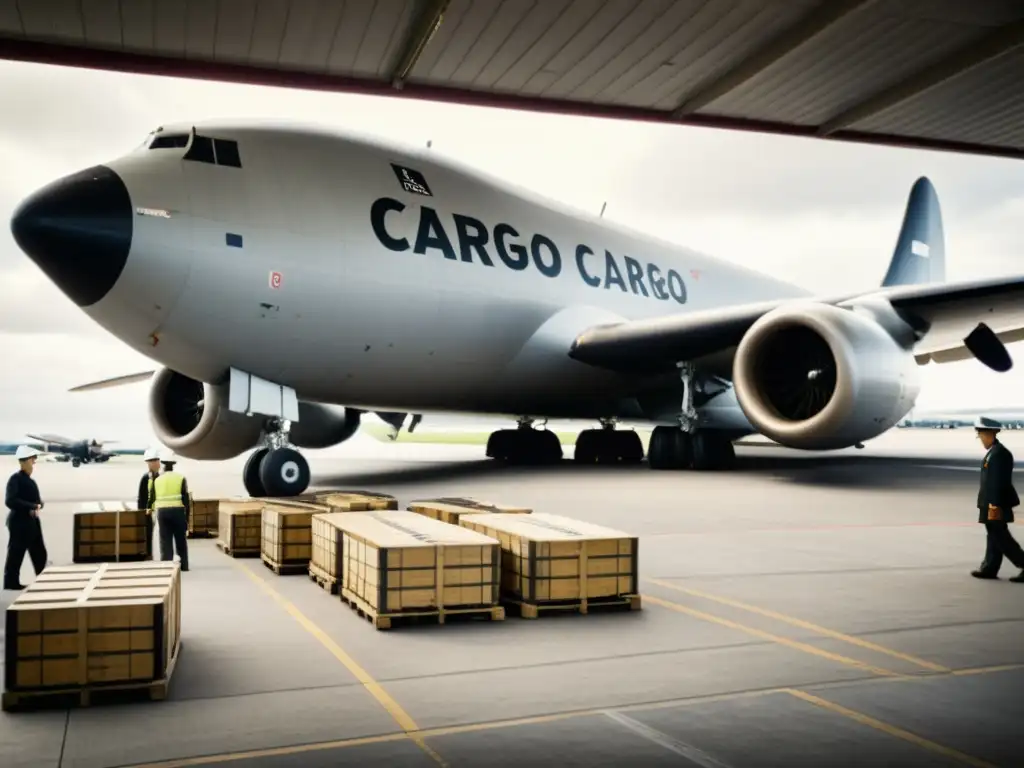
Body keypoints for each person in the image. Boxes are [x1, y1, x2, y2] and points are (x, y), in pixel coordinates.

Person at [971, 416, 1024, 582]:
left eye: (981, 435)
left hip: (996, 504)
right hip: (990, 503)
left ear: (990, 434)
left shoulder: (1000, 454)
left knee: (1001, 537)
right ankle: (990, 567)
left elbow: (998, 483)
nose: (980, 439)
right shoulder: (993, 453)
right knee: (994, 535)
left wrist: (994, 505)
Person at [4, 445, 49, 590]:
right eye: (32, 459)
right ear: (24, 461)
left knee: (40, 553)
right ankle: (11, 582)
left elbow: (34, 500)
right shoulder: (15, 479)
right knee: (16, 553)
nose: (34, 463)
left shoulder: (29, 480)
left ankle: (42, 580)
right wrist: (31, 506)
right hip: (19, 523)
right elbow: (10, 500)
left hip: (32, 523)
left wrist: (39, 504)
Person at [152, 454, 190, 571]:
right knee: (180, 539)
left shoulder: (157, 480)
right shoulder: (180, 478)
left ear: (163, 467)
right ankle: (184, 565)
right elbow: (186, 499)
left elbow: (153, 497)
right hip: (177, 511)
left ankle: (166, 566)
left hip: (162, 512)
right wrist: (187, 517)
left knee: (165, 539)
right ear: (173, 467)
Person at [137, 448, 162, 559]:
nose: (156, 463)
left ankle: (163, 554)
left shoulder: (161, 478)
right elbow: (141, 497)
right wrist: (141, 511)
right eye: (152, 461)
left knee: (162, 533)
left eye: (156, 461)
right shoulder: (145, 478)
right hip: (148, 511)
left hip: (160, 509)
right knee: (148, 532)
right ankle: (148, 553)